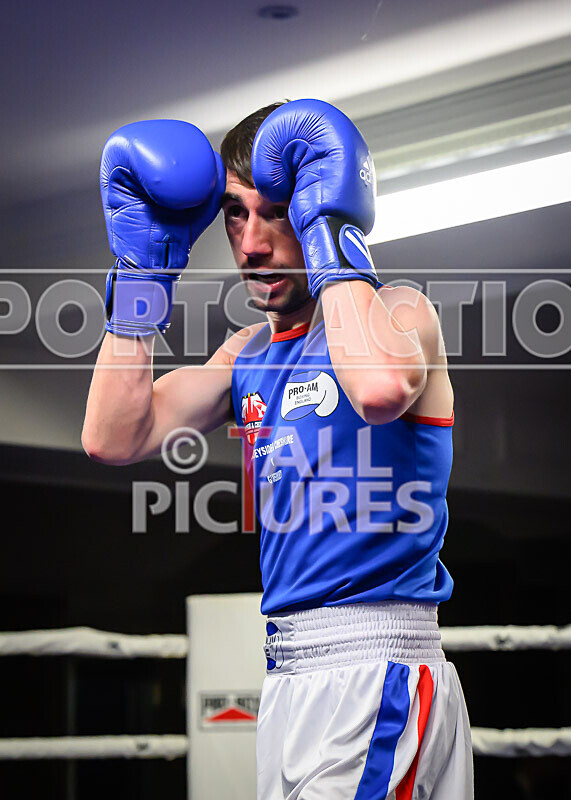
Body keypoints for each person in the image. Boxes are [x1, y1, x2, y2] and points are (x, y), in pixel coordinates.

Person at [82, 99, 473, 799]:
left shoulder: (403, 312)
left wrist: (330, 236)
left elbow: (379, 390)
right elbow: (114, 437)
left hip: (375, 666)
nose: (252, 243)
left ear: (325, 201)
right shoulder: (248, 355)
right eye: (235, 213)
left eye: (279, 212)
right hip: (289, 676)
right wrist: (140, 280)